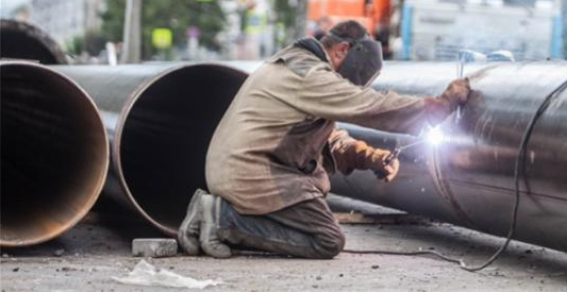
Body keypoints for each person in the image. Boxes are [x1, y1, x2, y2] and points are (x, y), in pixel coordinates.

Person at [177, 20, 470, 259]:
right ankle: (222, 219)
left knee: (314, 226)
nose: (346, 86)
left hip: (239, 169)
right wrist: (440, 106)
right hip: (251, 174)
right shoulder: (310, 75)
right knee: (327, 240)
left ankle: (219, 216)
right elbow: (371, 106)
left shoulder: (297, 66)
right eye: (350, 80)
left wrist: (370, 157)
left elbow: (327, 137)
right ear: (342, 50)